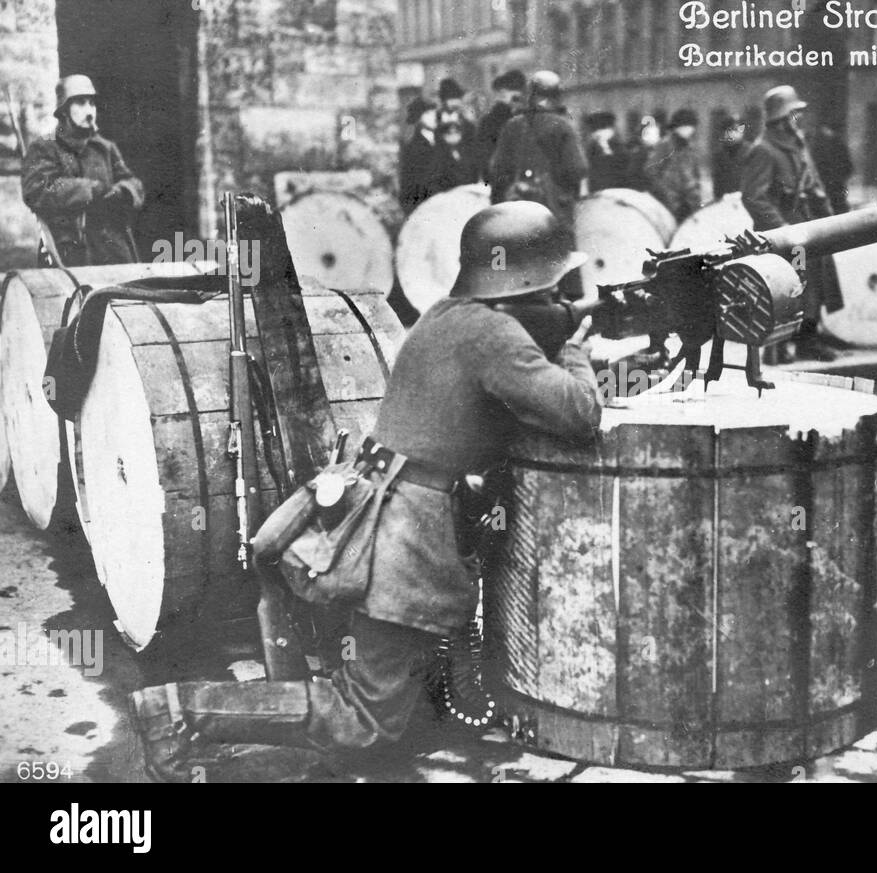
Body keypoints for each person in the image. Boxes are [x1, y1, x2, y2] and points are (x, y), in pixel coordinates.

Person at [128, 202, 603, 782]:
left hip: (375, 517)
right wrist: (575, 345)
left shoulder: (445, 317)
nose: (559, 296)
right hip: (406, 544)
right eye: (556, 285)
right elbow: (579, 413)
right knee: (365, 721)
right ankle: (179, 712)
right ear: (532, 280)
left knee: (403, 704)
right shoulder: (495, 336)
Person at [740, 84, 841, 362]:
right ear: (780, 118)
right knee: (788, 288)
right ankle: (780, 346)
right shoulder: (763, 150)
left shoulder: (797, 145)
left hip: (807, 226)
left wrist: (829, 217)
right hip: (783, 232)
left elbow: (814, 183)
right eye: (794, 113)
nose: (799, 118)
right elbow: (753, 197)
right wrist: (782, 229)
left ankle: (808, 340)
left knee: (814, 284)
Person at [21, 75, 144, 266]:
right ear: (64, 109)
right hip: (68, 252)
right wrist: (91, 190)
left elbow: (133, 183)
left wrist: (123, 191)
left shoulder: (105, 148)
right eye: (80, 103)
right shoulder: (44, 147)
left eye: (92, 103)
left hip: (111, 250)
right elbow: (37, 190)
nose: (89, 111)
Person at [489, 70, 587, 299]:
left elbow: (497, 170)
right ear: (556, 96)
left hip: (517, 205)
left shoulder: (512, 126)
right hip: (553, 209)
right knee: (562, 261)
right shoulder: (563, 126)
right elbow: (577, 169)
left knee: (521, 260)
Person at [645, 108, 704, 223]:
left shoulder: (691, 148)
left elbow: (696, 175)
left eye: (691, 127)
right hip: (668, 203)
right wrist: (668, 195)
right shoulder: (665, 145)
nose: (688, 130)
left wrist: (697, 198)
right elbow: (651, 171)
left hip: (690, 202)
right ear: (676, 127)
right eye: (684, 126)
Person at [479, 69, 526, 198]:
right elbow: (486, 156)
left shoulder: (488, 120)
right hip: (505, 184)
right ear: (501, 93)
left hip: (507, 184)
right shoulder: (490, 121)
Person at [398, 96, 443, 214]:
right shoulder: (413, 147)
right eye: (428, 113)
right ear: (418, 118)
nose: (434, 117)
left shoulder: (442, 141)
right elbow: (409, 184)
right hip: (423, 206)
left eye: (435, 113)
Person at [427, 118, 480, 196]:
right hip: (448, 195)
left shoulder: (465, 153)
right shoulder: (438, 155)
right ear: (443, 136)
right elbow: (437, 181)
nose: (454, 136)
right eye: (449, 133)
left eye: (457, 133)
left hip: (467, 194)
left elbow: (473, 173)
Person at [810, 120, 853, 215]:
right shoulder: (822, 144)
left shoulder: (821, 144)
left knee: (836, 206)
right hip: (832, 182)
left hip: (832, 182)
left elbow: (848, 164)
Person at [585, 111, 629, 192]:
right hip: (597, 191)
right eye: (594, 131)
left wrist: (605, 147)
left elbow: (622, 166)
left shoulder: (618, 146)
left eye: (602, 129)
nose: (597, 134)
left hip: (617, 190)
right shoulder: (591, 148)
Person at [711, 114, 749, 197]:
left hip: (745, 201)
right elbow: (717, 184)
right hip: (724, 201)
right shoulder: (719, 155)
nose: (734, 133)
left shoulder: (751, 152)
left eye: (738, 130)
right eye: (730, 130)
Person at [625, 115, 661, 193]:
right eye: (653, 134)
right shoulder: (639, 154)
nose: (657, 137)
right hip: (642, 193)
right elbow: (633, 175)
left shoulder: (656, 151)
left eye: (657, 134)